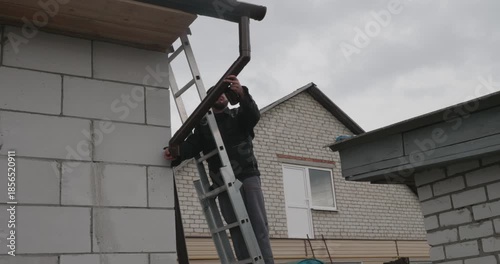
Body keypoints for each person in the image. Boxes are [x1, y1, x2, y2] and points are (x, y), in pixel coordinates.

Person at [163, 75, 274, 264]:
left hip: (247, 177)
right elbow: (191, 145)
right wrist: (175, 153)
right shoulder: (204, 125)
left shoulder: (239, 115)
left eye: (223, 92)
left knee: (258, 225)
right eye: (215, 93)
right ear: (208, 101)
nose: (220, 96)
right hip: (222, 182)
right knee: (236, 227)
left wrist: (243, 93)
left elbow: (253, 115)